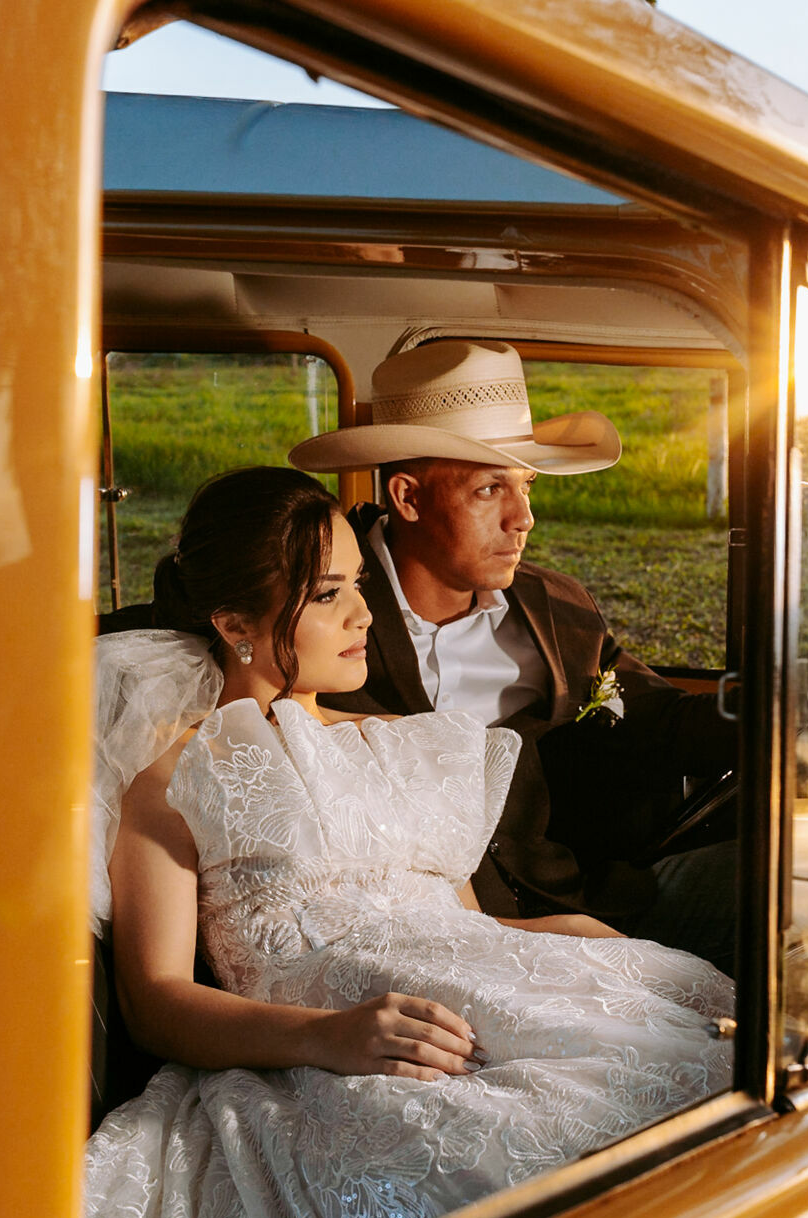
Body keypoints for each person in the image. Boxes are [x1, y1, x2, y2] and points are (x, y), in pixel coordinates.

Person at [82, 466, 733, 1218]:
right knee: (507, 1168)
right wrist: (327, 1035)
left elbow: (463, 926)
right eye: (328, 595)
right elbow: (155, 999)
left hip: (493, 990)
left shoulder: (403, 741)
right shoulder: (179, 770)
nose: (362, 613)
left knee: (714, 1062)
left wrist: (561, 931)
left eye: (358, 583)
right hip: (340, 1050)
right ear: (234, 623)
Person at [288, 340, 743, 973]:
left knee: (796, 872)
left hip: (590, 904)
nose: (523, 517)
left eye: (526, 485)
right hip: (424, 944)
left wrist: (770, 711)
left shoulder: (555, 605)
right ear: (408, 498)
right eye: (489, 489)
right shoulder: (318, 611)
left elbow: (654, 716)